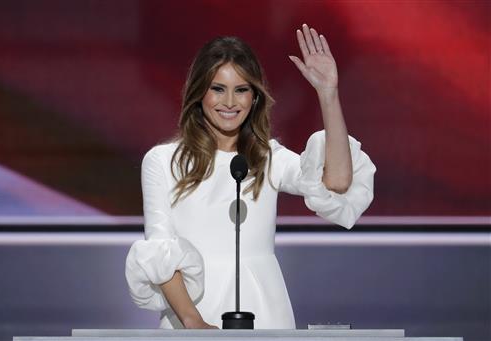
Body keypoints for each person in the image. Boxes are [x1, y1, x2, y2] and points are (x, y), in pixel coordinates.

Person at [125, 24, 376, 329]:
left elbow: (336, 183)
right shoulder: (163, 162)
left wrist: (328, 95)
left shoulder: (268, 159)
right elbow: (159, 250)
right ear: (199, 93)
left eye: (241, 89)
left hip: (265, 313)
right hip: (191, 318)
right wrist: (195, 324)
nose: (229, 102)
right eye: (218, 88)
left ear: (254, 98)